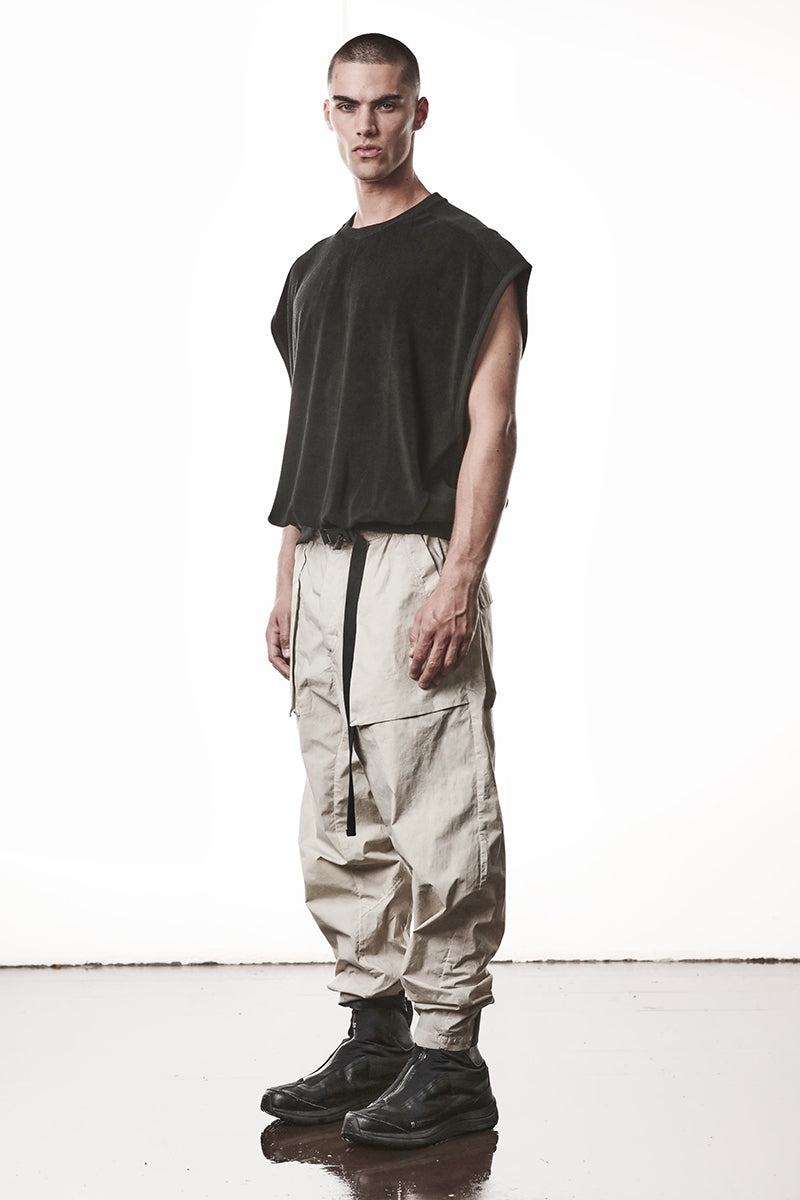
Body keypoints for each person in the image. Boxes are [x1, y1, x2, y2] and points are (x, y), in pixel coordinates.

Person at [261, 32, 531, 1150]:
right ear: (326, 114)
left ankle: (449, 1059)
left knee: (436, 806)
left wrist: (459, 578)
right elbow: (311, 430)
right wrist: (285, 574)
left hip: (415, 557)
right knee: (342, 812)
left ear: (419, 112)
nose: (366, 125)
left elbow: (491, 430)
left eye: (385, 105)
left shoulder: (473, 259)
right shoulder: (311, 275)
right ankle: (374, 1037)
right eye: (347, 105)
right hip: (323, 562)